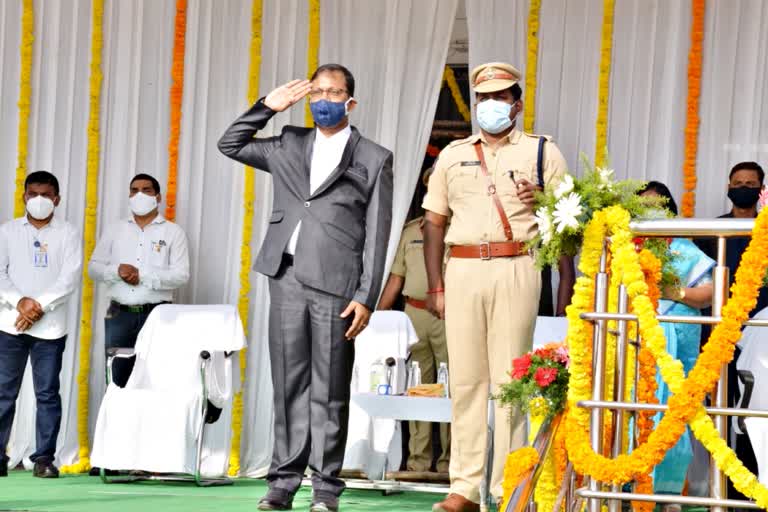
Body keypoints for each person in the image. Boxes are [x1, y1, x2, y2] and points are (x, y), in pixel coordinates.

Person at [218, 63, 393, 512]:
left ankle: (326, 488)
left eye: (334, 93)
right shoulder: (288, 143)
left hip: (337, 283)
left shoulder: (373, 157)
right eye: (317, 92)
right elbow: (230, 143)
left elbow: (378, 233)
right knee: (288, 383)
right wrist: (267, 107)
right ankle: (282, 483)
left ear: (350, 102)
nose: (325, 100)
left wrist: (365, 296)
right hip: (286, 276)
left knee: (329, 387)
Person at [422, 62, 567, 512]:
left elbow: (568, 224)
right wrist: (435, 286)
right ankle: (464, 487)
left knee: (511, 382)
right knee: (465, 380)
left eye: (501, 97)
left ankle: (510, 488)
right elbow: (432, 221)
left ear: (517, 104)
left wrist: (541, 200)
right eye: (484, 98)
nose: (491, 105)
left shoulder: (544, 152)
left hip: (517, 264)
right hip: (462, 268)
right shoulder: (452, 153)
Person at [0, 171, 82, 478]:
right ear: (23, 196)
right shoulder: (7, 231)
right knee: (4, 393)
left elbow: (70, 277)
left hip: (50, 327)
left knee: (47, 393)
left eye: (46, 195)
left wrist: (39, 307)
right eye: (32, 194)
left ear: (57, 199)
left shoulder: (68, 233)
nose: (38, 200)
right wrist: (20, 302)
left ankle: (44, 458)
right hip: (10, 325)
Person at [693, 161, 765, 500]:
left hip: (763, 336)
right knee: (720, 413)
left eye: (751, 183)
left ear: (761, 189)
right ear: (728, 185)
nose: (744, 187)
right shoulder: (711, 232)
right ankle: (721, 491)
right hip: (719, 337)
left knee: (756, 414)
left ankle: (753, 487)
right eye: (738, 182)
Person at [638, 181, 714, 496]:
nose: (650, 212)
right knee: (634, 411)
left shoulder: (685, 249)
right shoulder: (628, 248)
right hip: (636, 342)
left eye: (657, 206)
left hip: (678, 344)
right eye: (643, 206)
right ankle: (632, 485)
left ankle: (669, 491)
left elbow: (708, 295)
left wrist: (675, 292)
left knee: (673, 414)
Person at [378, 167, 450, 475]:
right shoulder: (410, 232)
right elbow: (396, 278)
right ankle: (418, 461)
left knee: (451, 388)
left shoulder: (459, 230)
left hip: (450, 316)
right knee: (418, 387)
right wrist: (377, 318)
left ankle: (450, 463)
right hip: (414, 315)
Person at [88, 173, 190, 388]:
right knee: (117, 382)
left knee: (155, 381)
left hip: (158, 315)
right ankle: (117, 422)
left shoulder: (173, 232)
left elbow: (182, 275)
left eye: (147, 190)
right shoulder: (114, 229)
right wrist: (118, 270)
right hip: (119, 316)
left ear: (158, 197)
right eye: (134, 190)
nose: (140, 194)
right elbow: (93, 268)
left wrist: (142, 275)